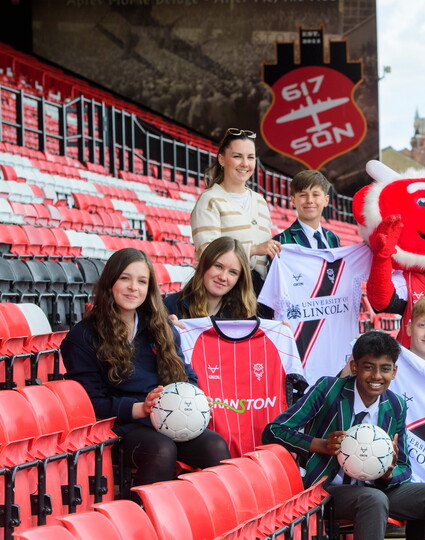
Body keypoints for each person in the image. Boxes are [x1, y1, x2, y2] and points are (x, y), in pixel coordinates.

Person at [61, 248, 231, 489]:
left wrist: (193, 398)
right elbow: (88, 403)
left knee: (215, 445)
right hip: (117, 427)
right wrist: (141, 408)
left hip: (167, 419)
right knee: (161, 450)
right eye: (125, 278)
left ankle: (211, 517)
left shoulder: (160, 327)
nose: (133, 287)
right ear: (110, 281)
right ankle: (144, 518)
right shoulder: (82, 336)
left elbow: (185, 373)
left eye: (142, 281)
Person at [263, 331, 425, 540]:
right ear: (354, 367)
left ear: (395, 372)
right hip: (329, 490)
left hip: (378, 489)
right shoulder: (328, 389)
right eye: (369, 367)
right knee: (373, 499)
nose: (377, 376)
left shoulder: (396, 405)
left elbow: (405, 467)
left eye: (385, 369)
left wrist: (388, 474)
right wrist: (321, 445)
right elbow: (274, 431)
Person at [190, 128, 279, 292]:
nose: (245, 163)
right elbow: (207, 254)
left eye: (250, 157)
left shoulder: (260, 201)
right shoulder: (209, 200)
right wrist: (253, 250)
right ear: (222, 160)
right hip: (224, 293)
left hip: (258, 293)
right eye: (237, 156)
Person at [163, 236, 257, 320]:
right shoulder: (169, 307)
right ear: (204, 264)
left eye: (233, 272)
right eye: (218, 266)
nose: (223, 277)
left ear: (239, 279)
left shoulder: (243, 315)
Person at [273, 169, 341, 249]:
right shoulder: (281, 241)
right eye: (303, 195)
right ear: (293, 200)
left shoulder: (334, 239)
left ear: (326, 200)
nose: (309, 200)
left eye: (315, 195)